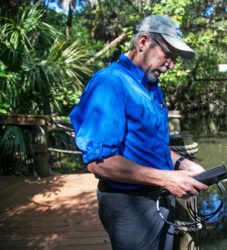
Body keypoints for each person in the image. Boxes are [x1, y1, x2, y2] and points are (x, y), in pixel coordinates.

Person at [69, 15, 208, 250]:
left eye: (175, 59)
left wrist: (182, 163)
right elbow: (98, 163)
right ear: (143, 42)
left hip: (160, 198)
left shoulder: (152, 88)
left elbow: (152, 144)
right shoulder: (110, 83)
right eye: (169, 54)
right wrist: (166, 178)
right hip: (129, 205)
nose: (171, 65)